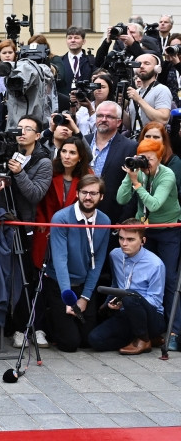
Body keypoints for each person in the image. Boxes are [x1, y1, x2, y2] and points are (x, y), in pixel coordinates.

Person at [39, 175, 110, 353]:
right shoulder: (61, 218)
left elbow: (98, 261)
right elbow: (60, 260)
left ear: (101, 196)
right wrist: (68, 298)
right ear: (77, 193)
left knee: (89, 341)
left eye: (93, 193)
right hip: (61, 285)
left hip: (84, 285)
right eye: (84, 192)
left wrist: (85, 297)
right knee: (70, 344)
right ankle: (49, 318)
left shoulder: (105, 221)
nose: (88, 197)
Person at [116, 138, 180, 331]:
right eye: (142, 158)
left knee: (168, 278)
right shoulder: (138, 172)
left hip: (168, 229)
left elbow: (153, 204)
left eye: (150, 159)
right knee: (140, 274)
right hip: (146, 229)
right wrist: (130, 177)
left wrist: (136, 184)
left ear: (160, 159)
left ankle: (174, 330)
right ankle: (142, 324)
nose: (145, 163)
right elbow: (121, 199)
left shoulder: (167, 175)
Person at [88, 219, 166, 355]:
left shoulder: (155, 264)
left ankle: (143, 339)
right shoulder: (115, 255)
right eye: (121, 238)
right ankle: (145, 339)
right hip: (125, 312)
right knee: (95, 340)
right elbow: (116, 284)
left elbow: (156, 300)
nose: (124, 243)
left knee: (130, 295)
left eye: (130, 239)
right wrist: (111, 302)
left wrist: (128, 300)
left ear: (143, 241)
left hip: (151, 318)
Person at [31, 135, 93, 270]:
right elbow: (40, 199)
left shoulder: (88, 176)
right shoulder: (50, 171)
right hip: (47, 226)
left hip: (74, 231)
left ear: (80, 157)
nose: (67, 156)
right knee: (43, 268)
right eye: (64, 151)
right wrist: (40, 220)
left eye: (72, 153)